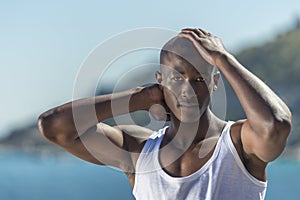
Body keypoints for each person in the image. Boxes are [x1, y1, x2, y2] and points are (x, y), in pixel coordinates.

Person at [38, 28, 292, 200]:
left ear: (215, 81)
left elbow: (276, 124)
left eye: (199, 79)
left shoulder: (239, 145)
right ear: (159, 80)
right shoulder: (138, 152)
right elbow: (54, 127)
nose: (187, 90)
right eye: (176, 78)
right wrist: (142, 97)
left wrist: (222, 58)